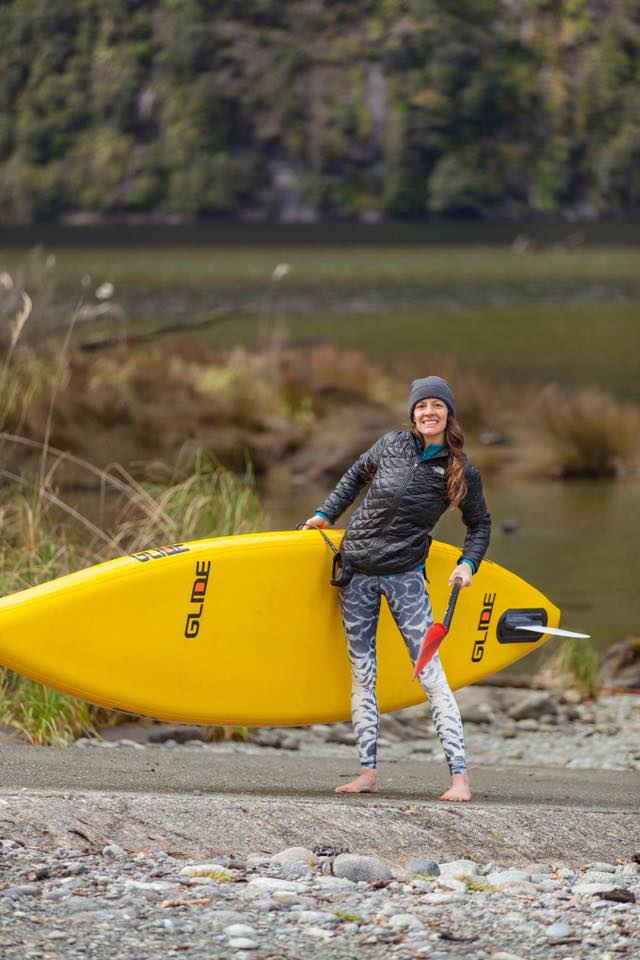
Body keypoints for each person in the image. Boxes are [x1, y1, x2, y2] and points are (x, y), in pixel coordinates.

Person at [302, 376, 490, 801]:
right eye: (421, 406)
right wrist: (324, 514)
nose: (429, 413)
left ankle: (459, 779)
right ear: (412, 414)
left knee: (431, 676)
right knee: (363, 675)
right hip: (357, 574)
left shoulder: (460, 471)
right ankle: (367, 773)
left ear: (448, 414)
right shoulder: (390, 445)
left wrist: (467, 563)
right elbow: (353, 476)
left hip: (404, 577)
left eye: (436, 407)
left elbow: (479, 524)